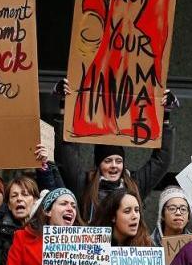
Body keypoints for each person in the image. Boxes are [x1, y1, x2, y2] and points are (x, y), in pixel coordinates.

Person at [54, 80, 178, 221]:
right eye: (108, 161)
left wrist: (165, 117)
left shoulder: (133, 185)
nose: (114, 165)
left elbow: (162, 161)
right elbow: (65, 154)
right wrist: (65, 106)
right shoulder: (84, 184)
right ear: (99, 164)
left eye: (119, 161)